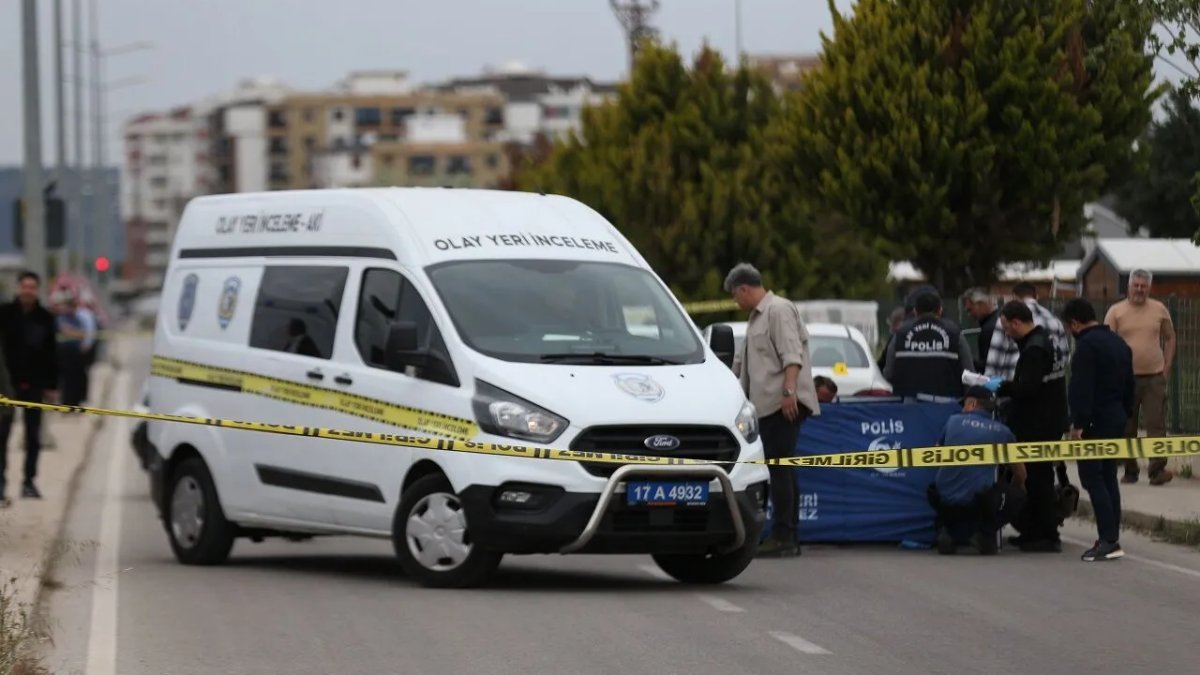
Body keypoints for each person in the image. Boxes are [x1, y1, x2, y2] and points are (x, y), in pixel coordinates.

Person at [725, 262, 819, 558]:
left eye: (734, 295)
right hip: (766, 407)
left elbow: (792, 356)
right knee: (783, 469)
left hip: (781, 404)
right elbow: (743, 364)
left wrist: (789, 392)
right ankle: (788, 534)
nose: (734, 302)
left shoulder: (777, 310)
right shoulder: (756, 318)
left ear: (744, 288)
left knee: (780, 469)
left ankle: (783, 537)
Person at [1061, 299, 1135, 562]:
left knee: (1094, 479)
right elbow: (1130, 385)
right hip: (1115, 418)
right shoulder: (1119, 343)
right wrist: (1125, 412)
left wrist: (1079, 424)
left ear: (1074, 323)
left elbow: (1081, 389)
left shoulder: (1086, 347)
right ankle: (1112, 535)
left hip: (1094, 422)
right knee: (1108, 476)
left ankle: (1108, 540)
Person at [995, 300, 1069, 552]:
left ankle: (1046, 535)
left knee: (1039, 479)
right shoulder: (1046, 340)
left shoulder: (1035, 349)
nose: (1006, 332)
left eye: (1006, 327)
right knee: (1039, 476)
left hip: (1039, 422)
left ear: (1017, 322)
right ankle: (1033, 531)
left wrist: (999, 386)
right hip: (1050, 417)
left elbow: (1027, 389)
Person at [927, 385, 1023, 555]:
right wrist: (1012, 488)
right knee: (1018, 497)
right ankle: (984, 535)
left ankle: (946, 531)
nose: (962, 409)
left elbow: (935, 456)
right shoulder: (1002, 432)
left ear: (972, 404)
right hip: (977, 503)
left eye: (963, 405)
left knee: (941, 489)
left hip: (943, 499)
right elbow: (1021, 474)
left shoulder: (952, 421)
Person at [1104, 269, 1177, 485]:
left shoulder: (1159, 309)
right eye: (1136, 285)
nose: (1139, 289)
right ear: (1128, 286)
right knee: (1127, 426)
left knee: (1156, 424)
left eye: (1143, 286)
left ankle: (1157, 471)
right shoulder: (1116, 311)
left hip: (1154, 376)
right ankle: (1130, 470)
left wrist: (1167, 366)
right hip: (1125, 379)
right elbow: (1107, 343)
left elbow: (1170, 337)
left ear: (1149, 288)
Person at [0, 271, 60, 501]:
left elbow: (52, 354)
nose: (28, 291)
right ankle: (1, 484)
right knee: (2, 435)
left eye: (32, 287)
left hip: (35, 384)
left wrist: (52, 386)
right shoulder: (4, 314)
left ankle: (29, 482)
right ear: (18, 288)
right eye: (24, 286)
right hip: (6, 385)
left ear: (37, 290)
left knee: (33, 435)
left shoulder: (45, 317)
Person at [882, 291, 973, 399]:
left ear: (915, 311)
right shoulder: (955, 334)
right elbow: (969, 374)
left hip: (908, 407)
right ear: (940, 310)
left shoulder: (900, 334)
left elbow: (888, 374)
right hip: (947, 406)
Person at [984, 282, 1070, 381]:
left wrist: (989, 382)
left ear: (1014, 297)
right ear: (1036, 297)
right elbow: (1064, 357)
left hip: (1016, 383)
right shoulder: (1054, 320)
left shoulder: (1008, 319)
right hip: (1047, 383)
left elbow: (995, 356)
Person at [961, 288, 1000, 372]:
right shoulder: (997, 320)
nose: (969, 315)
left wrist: (965, 359)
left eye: (970, 310)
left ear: (981, 304)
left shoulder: (989, 328)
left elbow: (987, 364)